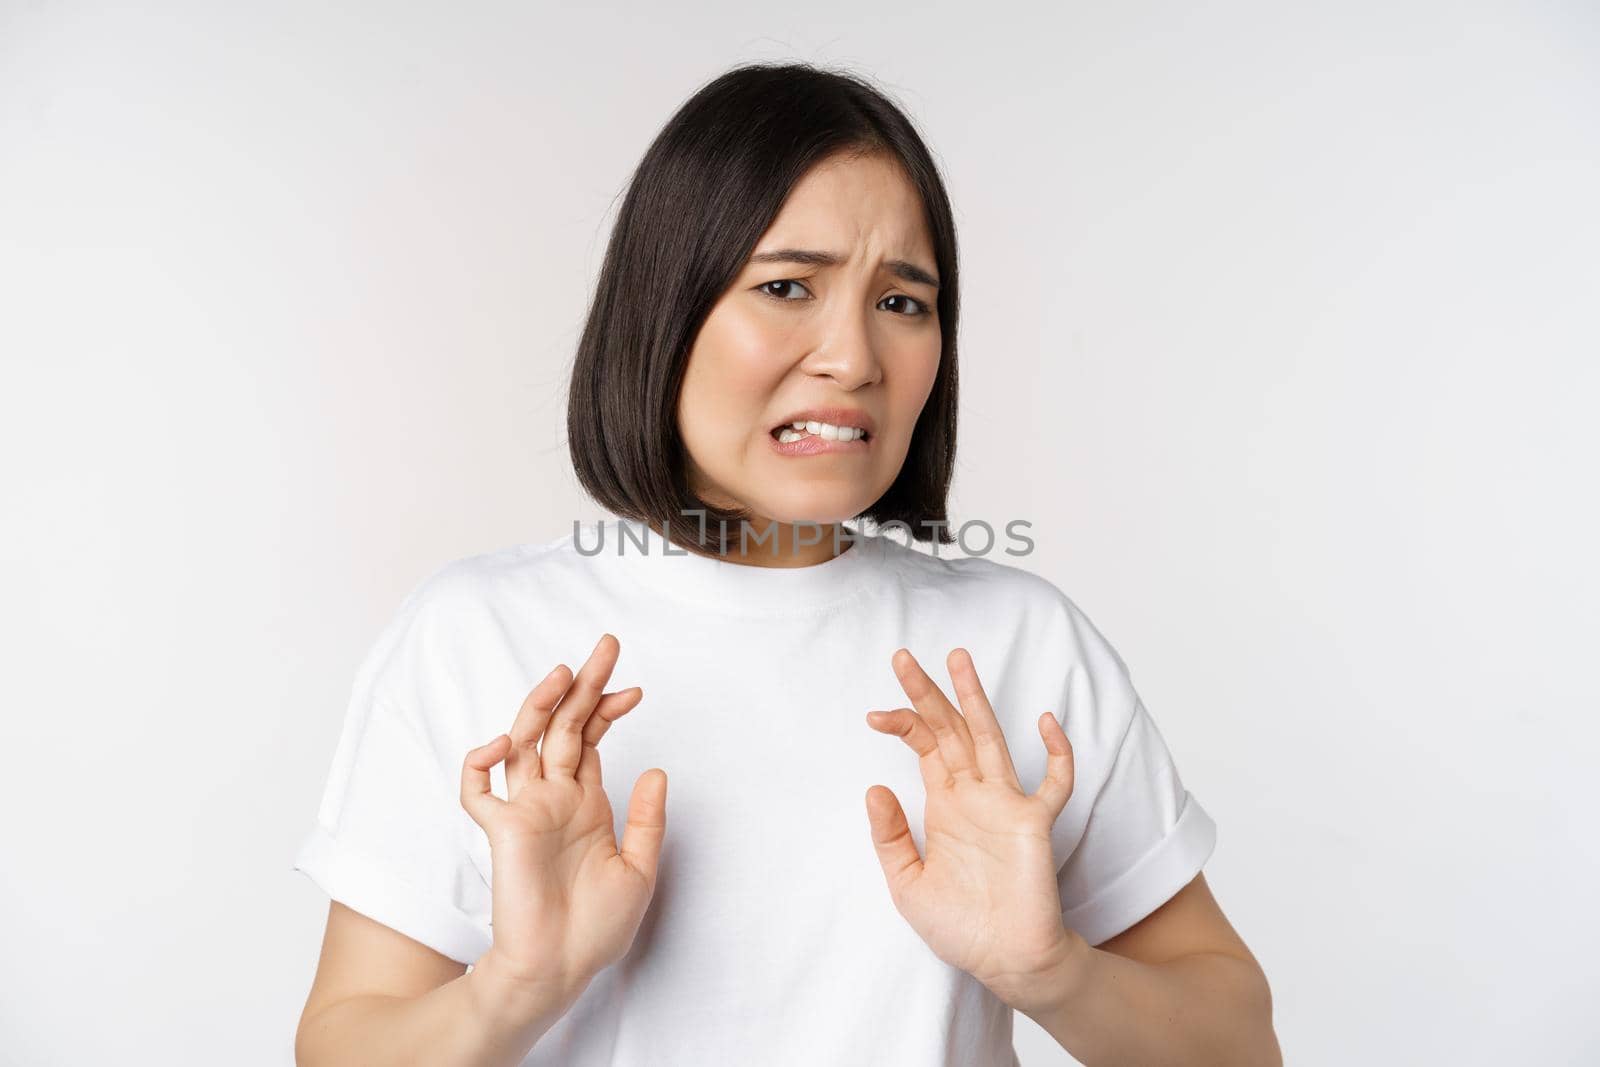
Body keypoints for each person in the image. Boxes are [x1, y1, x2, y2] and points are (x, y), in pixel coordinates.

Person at [291, 61, 1280, 1067]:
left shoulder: (1018, 643)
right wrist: (517, 986)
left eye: (902, 302)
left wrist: (1051, 969)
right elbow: (342, 1041)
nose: (852, 356)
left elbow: (1241, 1043)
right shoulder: (478, 634)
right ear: (663, 311)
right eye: (785, 286)